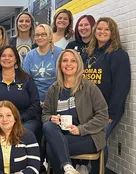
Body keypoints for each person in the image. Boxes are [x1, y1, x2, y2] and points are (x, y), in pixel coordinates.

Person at [43, 49, 108, 174]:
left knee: (52, 149)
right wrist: (51, 118)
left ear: (78, 65)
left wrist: (81, 129)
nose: (68, 64)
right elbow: (45, 115)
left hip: (87, 136)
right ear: (60, 65)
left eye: (73, 61)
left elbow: (103, 114)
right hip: (61, 135)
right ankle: (68, 167)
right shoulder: (53, 89)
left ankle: (67, 168)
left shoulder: (89, 87)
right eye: (65, 61)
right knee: (48, 125)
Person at [82, 17, 131, 167]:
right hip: (87, 108)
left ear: (113, 33)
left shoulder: (118, 55)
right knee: (92, 141)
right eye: (99, 29)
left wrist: (111, 112)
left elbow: (121, 86)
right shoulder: (88, 53)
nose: (102, 32)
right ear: (94, 31)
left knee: (98, 140)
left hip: (106, 110)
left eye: (106, 29)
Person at [0, 45, 41, 134]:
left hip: (24, 120)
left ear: (16, 59)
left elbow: (35, 103)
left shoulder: (26, 79)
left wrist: (19, 119)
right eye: (3, 56)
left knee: (25, 133)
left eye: (10, 56)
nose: (7, 58)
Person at [0, 100, 40, 174]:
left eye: (8, 115)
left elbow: (34, 167)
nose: (4, 119)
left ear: (15, 118)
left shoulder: (28, 136)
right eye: (0, 116)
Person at [23, 24, 63, 102]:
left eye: (43, 34)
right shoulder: (30, 55)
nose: (40, 37)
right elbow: (26, 80)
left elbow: (63, 78)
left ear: (50, 36)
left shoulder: (59, 53)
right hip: (35, 99)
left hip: (56, 98)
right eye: (37, 35)